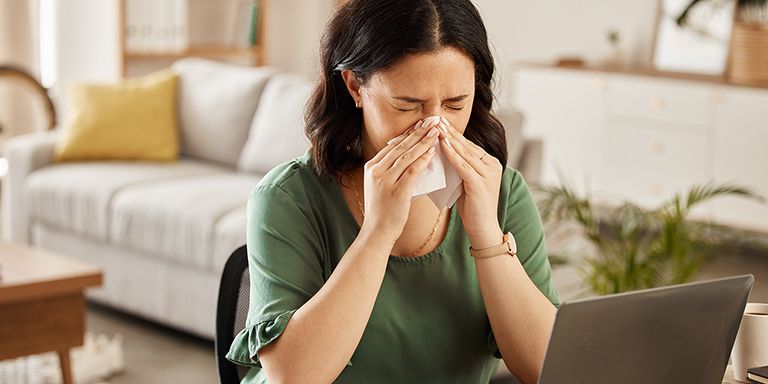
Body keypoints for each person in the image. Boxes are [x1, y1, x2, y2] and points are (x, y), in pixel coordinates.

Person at [226, 0, 560, 383]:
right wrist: (378, 231)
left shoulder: (504, 193)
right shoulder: (287, 198)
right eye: (407, 105)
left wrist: (486, 235)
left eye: (455, 103)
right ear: (354, 85)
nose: (435, 127)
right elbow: (294, 377)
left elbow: (545, 368)